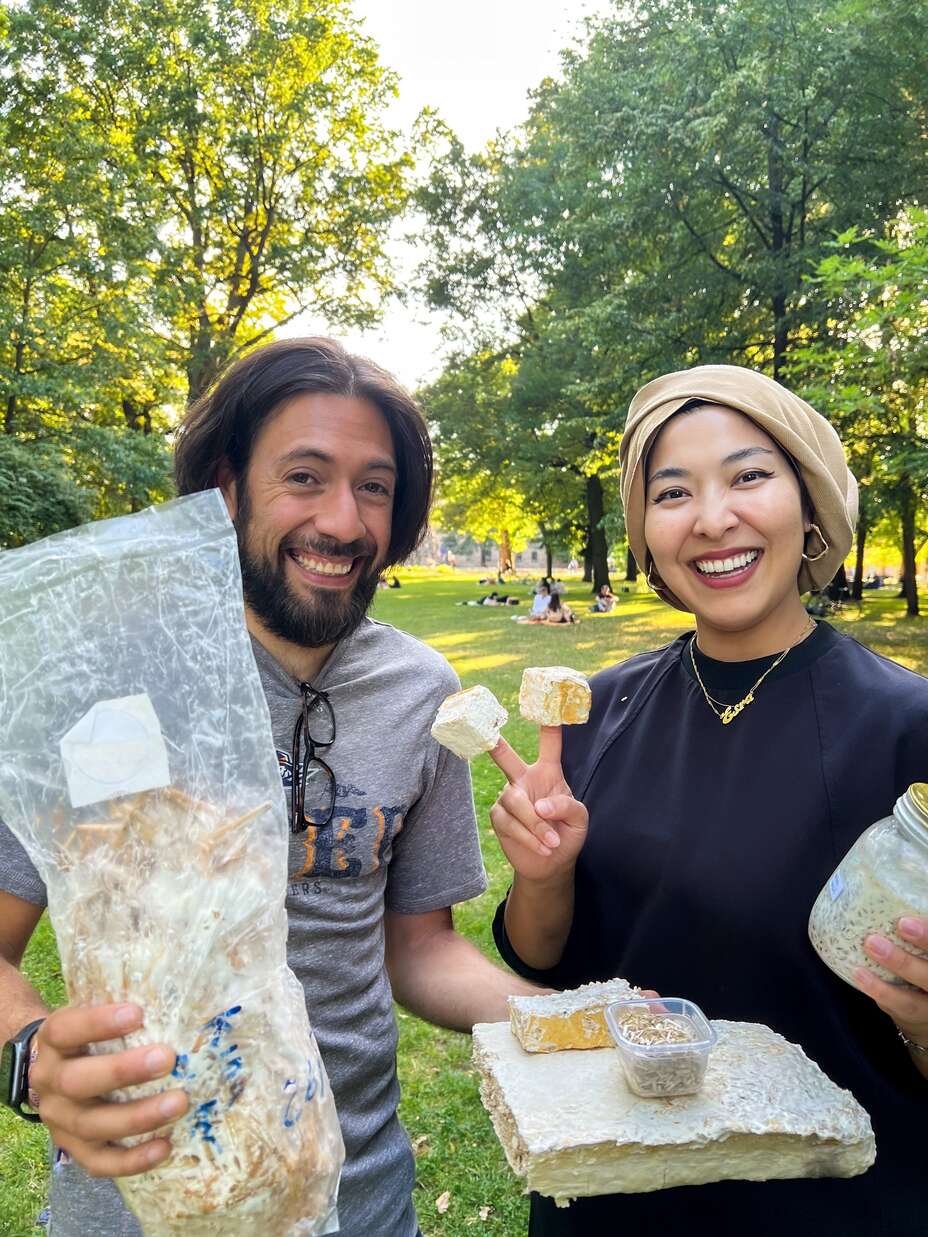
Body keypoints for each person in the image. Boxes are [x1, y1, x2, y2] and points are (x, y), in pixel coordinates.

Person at [0, 337, 542, 1237]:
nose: (344, 521)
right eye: (304, 476)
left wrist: (571, 1019)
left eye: (374, 485)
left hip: (359, 1201)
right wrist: (29, 1059)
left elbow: (420, 950)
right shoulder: (111, 682)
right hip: (141, 1203)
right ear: (226, 488)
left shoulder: (420, 692)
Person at [487, 365, 927, 1236]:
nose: (713, 517)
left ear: (810, 505)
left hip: (830, 1210)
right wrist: (544, 876)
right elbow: (545, 966)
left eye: (750, 475)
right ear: (646, 533)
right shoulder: (592, 713)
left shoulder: (908, 732)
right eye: (673, 491)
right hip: (608, 1203)